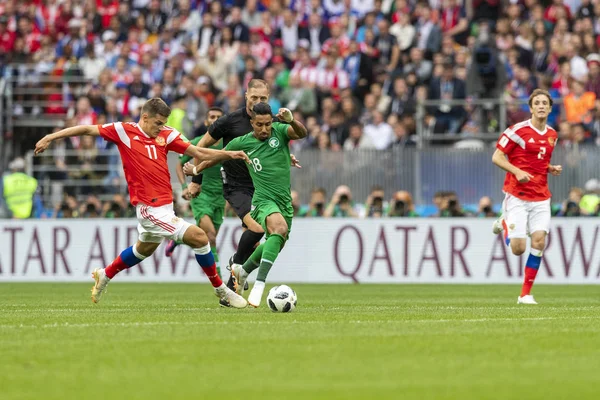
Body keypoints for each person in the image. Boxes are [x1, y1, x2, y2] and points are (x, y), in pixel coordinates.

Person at [34, 98, 250, 308]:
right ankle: (221, 290)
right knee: (201, 238)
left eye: (164, 123)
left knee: (144, 249)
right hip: (149, 209)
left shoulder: (166, 134)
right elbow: (86, 130)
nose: (161, 127)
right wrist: (50, 137)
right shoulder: (124, 131)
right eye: (158, 123)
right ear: (145, 117)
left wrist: (229, 154)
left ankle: (105, 274)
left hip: (165, 207)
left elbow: (198, 151)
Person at [185, 79, 299, 307]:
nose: (257, 102)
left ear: (268, 98)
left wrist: (288, 158)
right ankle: (236, 273)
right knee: (258, 229)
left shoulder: (270, 121)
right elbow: (201, 148)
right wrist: (196, 179)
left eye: (262, 98)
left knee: (274, 237)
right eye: (254, 97)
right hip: (237, 186)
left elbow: (278, 146)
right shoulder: (229, 122)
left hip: (265, 187)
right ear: (245, 95)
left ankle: (234, 279)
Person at [491, 89, 562, 305]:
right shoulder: (516, 131)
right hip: (518, 195)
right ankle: (504, 222)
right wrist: (516, 171)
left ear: (550, 108)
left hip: (541, 196)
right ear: (531, 108)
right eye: (537, 103)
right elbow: (497, 157)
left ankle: (525, 294)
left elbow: (537, 161)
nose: (541, 106)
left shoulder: (552, 135)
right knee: (518, 248)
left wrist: (549, 168)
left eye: (545, 103)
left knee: (539, 242)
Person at [165, 107, 225, 281]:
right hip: (201, 195)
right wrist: (185, 186)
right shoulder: (199, 142)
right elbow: (179, 164)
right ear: (206, 122)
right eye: (211, 117)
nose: (214, 120)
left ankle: (178, 239)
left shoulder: (228, 144)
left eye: (218, 117)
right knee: (212, 238)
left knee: (206, 238)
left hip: (220, 197)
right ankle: (221, 283)